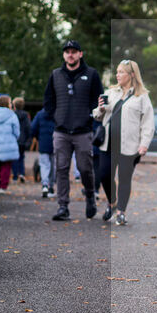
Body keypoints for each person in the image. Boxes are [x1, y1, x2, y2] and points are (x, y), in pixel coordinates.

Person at [43, 40, 104, 221]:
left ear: (80, 54)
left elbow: (98, 101)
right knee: (61, 169)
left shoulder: (91, 74)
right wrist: (56, 117)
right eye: (67, 51)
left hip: (83, 131)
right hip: (61, 131)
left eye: (74, 51)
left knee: (85, 168)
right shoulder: (56, 75)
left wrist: (89, 117)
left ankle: (90, 197)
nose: (70, 54)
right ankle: (63, 207)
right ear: (64, 55)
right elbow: (48, 101)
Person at [92, 59, 155, 225]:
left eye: (121, 72)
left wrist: (144, 144)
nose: (117, 75)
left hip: (130, 146)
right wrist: (100, 109)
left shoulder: (142, 96)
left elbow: (148, 122)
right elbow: (97, 116)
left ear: (132, 75)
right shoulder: (111, 92)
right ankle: (112, 202)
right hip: (108, 144)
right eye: (117, 71)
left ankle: (121, 212)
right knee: (105, 175)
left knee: (124, 179)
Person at [30, 108, 56, 198]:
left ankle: (45, 184)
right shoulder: (57, 113)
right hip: (55, 142)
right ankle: (51, 187)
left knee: (44, 165)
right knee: (53, 165)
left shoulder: (39, 114)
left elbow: (33, 128)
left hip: (43, 142)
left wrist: (37, 137)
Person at [11, 97, 32, 183]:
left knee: (14, 158)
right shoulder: (26, 115)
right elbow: (28, 127)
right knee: (21, 157)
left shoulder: (12, 115)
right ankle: (22, 173)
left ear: (14, 106)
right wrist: (28, 139)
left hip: (14, 139)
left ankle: (15, 176)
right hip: (23, 140)